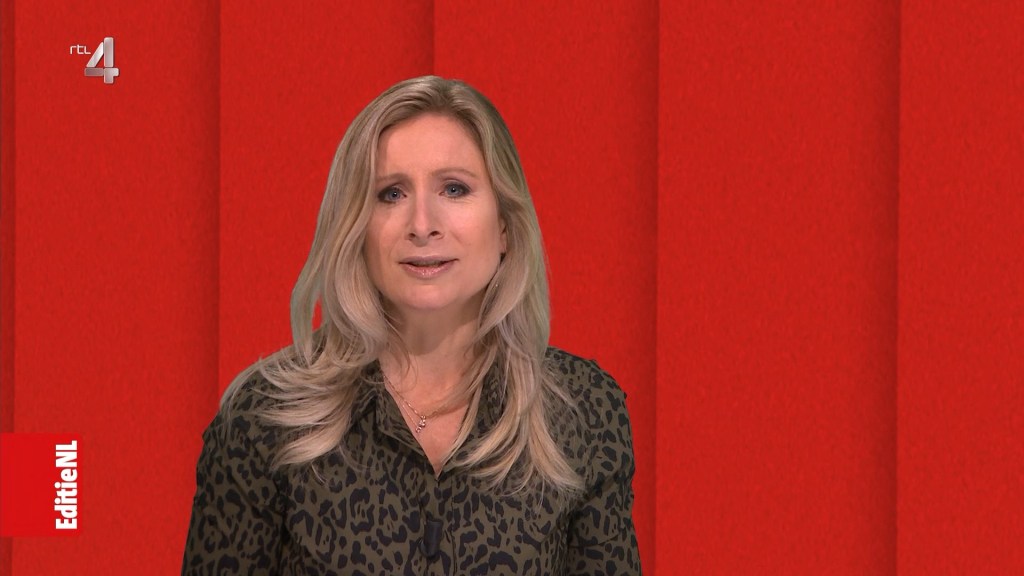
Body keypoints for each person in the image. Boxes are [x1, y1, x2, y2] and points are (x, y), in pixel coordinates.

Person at [182, 75, 641, 575]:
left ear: (505, 226)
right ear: (356, 228)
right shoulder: (264, 418)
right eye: (391, 194)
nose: (422, 225)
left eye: (454, 188)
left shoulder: (583, 411)